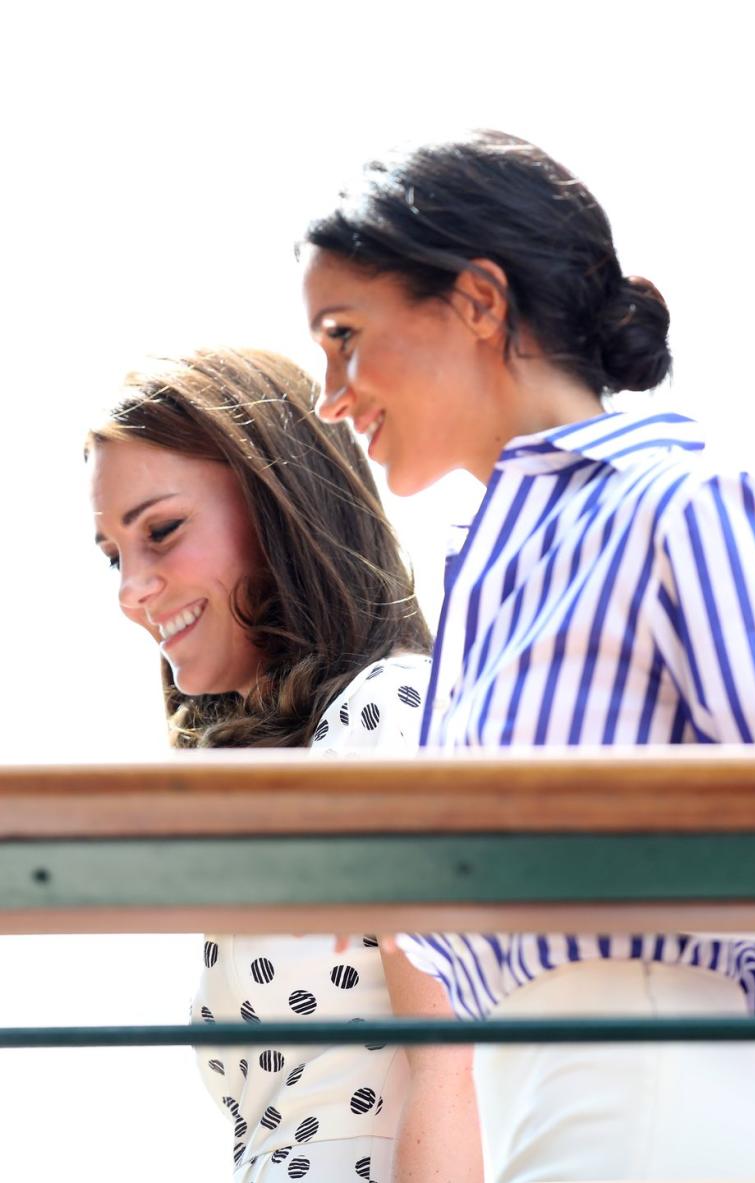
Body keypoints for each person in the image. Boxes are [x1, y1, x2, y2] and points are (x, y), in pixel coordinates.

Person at [299, 131, 755, 1181]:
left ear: (480, 301)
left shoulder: (682, 502)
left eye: (345, 333)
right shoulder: (490, 565)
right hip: (540, 1106)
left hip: (646, 1096)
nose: (329, 392)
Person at [87, 347, 480, 1183]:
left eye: (160, 531)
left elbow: (453, 1065)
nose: (130, 587)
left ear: (278, 509)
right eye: (113, 554)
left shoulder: (389, 713)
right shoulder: (304, 757)